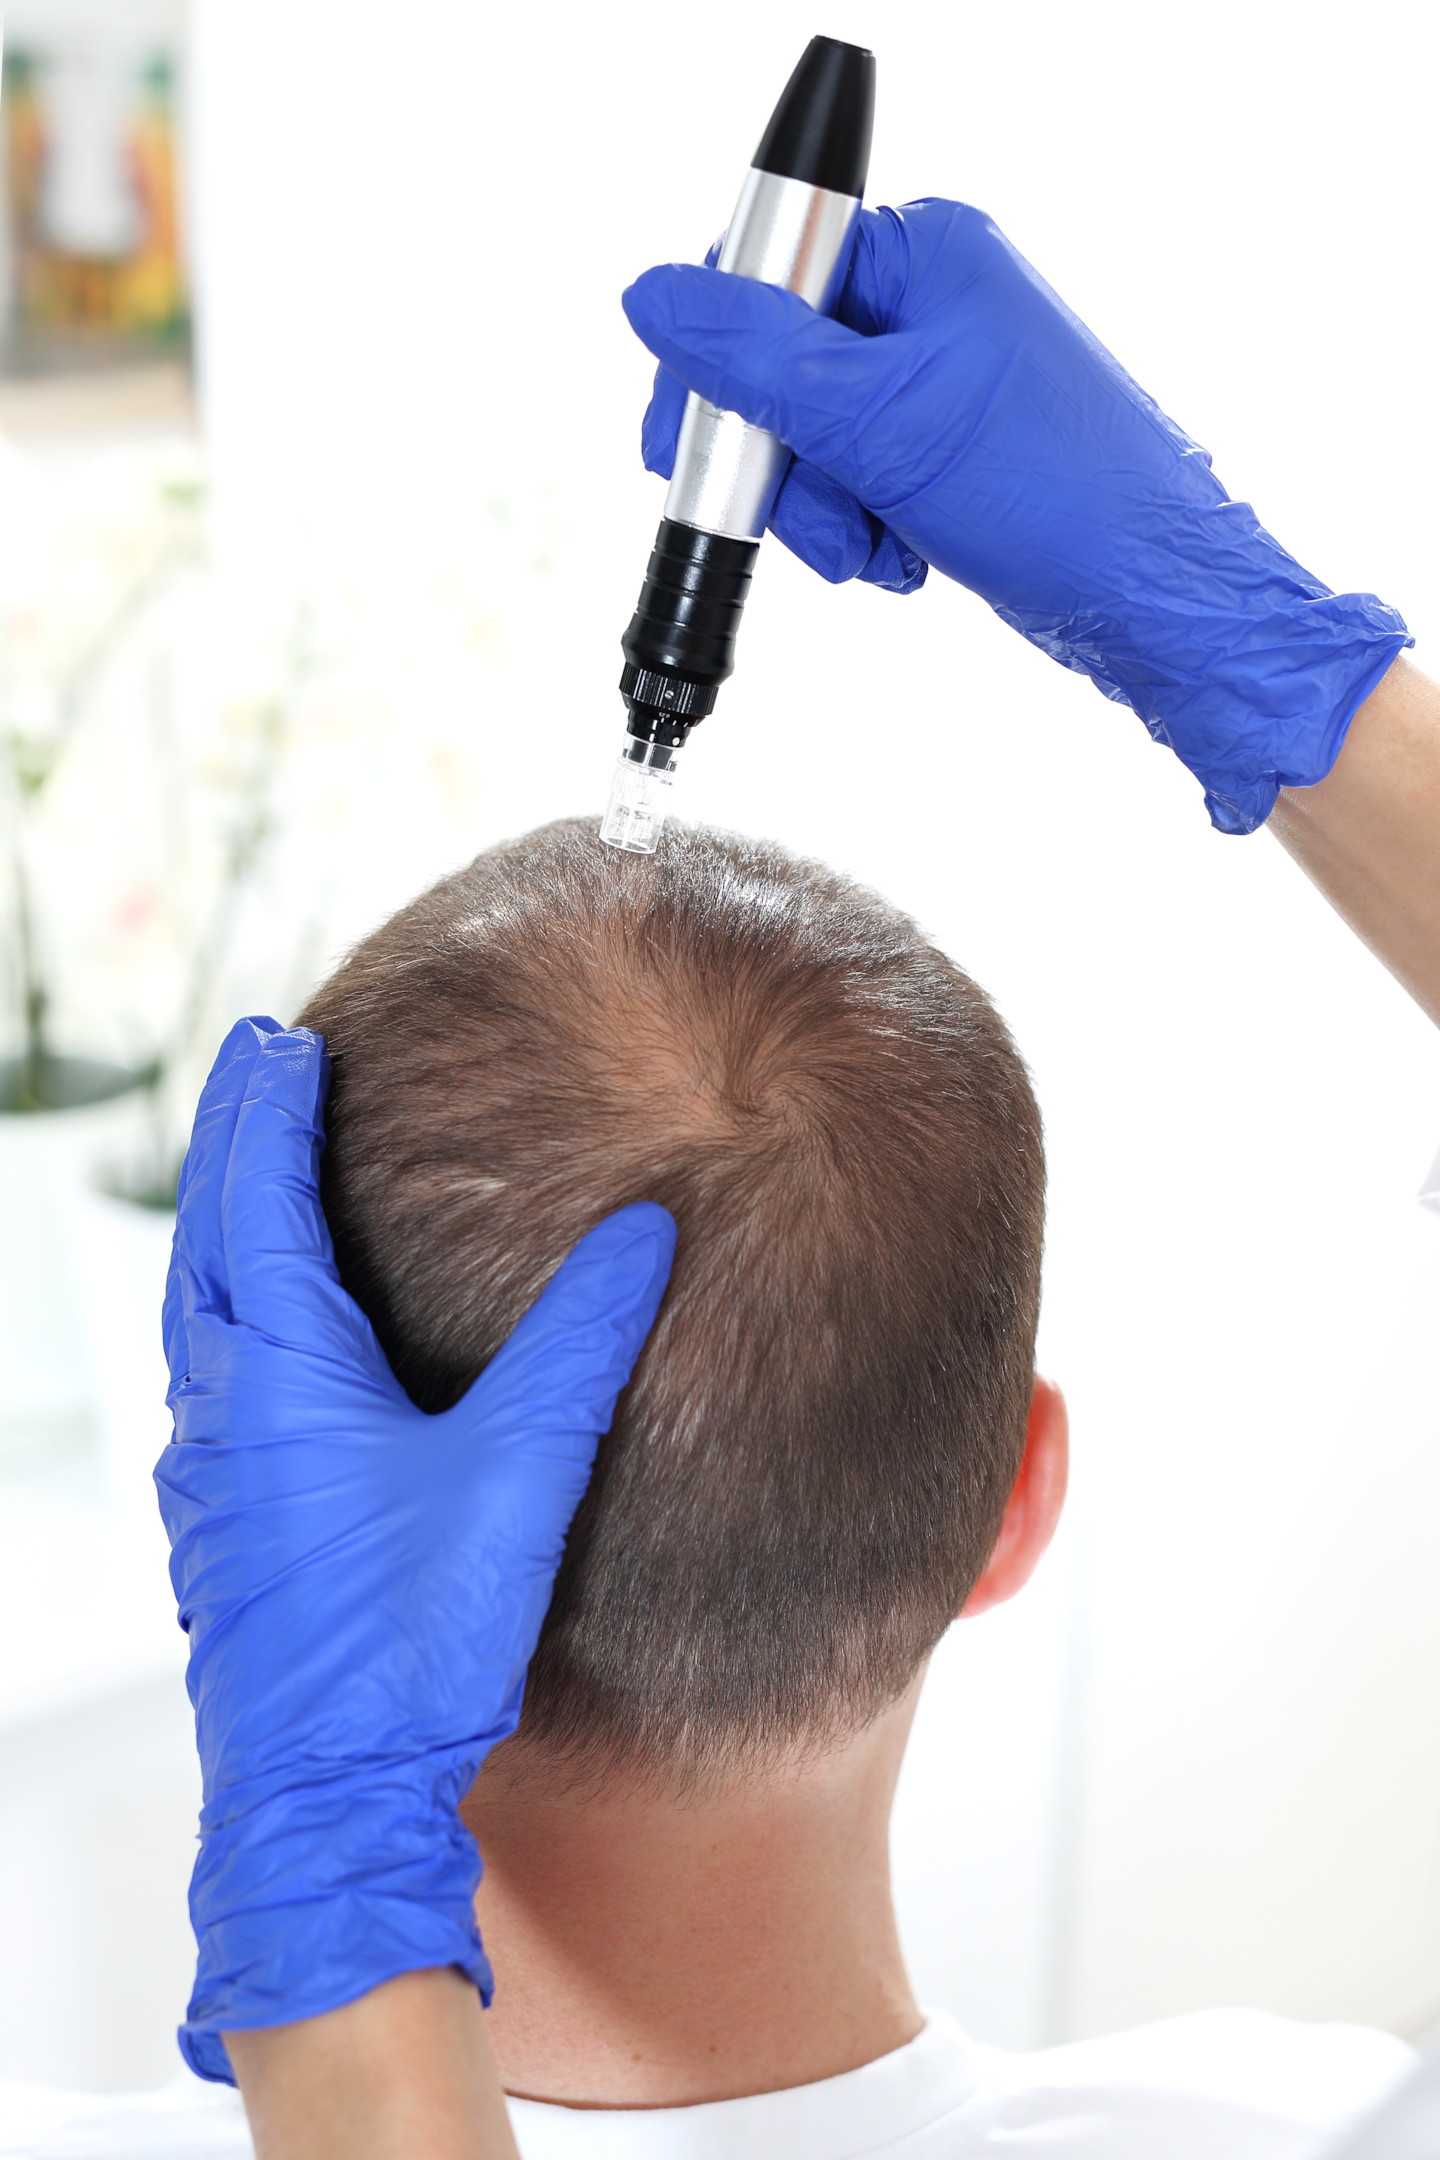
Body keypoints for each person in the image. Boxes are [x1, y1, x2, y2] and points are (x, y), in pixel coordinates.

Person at [5, 196, 1438, 2159]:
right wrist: (1292, 680)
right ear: (1012, 1502)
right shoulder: (1320, 2123)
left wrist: (331, 1944)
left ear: (252, 1489)